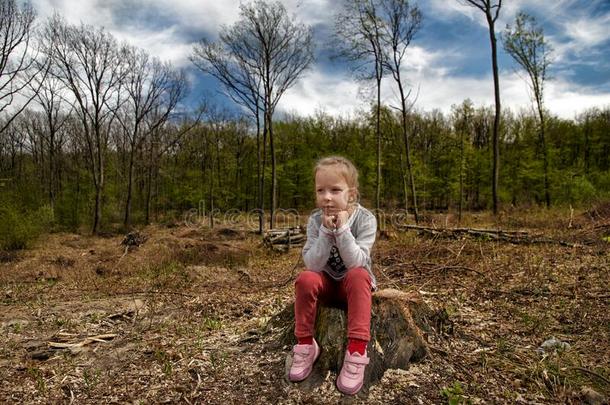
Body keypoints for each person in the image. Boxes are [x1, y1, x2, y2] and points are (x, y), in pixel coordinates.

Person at [288, 156, 377, 395]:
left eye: (335, 190)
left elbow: (357, 262)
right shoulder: (316, 220)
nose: (327, 197)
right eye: (321, 190)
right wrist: (327, 231)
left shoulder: (366, 219)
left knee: (359, 274)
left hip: (353, 287)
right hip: (326, 285)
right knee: (305, 278)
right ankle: (306, 344)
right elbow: (313, 264)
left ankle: (357, 351)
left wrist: (343, 229)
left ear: (351, 194)